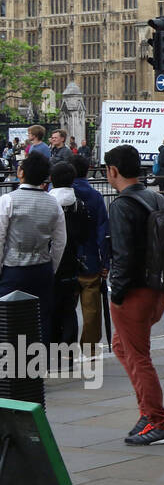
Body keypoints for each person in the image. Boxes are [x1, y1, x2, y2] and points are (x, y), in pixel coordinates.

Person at [103, 145, 164, 445]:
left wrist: (116, 294)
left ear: (113, 171)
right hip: (157, 287)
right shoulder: (155, 197)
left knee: (138, 355)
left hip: (133, 291)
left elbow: (123, 255)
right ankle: (147, 411)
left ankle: (159, 422)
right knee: (121, 347)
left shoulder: (122, 205)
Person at [0, 151, 66, 346]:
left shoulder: (8, 200)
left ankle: (10, 367)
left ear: (21, 173)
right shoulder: (54, 202)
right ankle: (37, 366)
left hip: (13, 269)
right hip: (42, 267)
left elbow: (0, 238)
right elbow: (60, 241)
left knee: (8, 319)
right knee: (41, 318)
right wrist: (51, 267)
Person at [70, 155, 110, 354]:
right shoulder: (95, 196)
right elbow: (103, 231)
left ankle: (63, 348)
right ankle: (90, 348)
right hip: (91, 257)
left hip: (66, 260)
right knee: (92, 308)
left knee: (65, 307)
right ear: (87, 170)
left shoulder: (59, 193)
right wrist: (105, 262)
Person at [48, 162, 90, 346]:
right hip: (72, 262)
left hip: (50, 263)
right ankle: (69, 354)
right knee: (69, 309)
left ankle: (52, 349)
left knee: (51, 309)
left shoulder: (48, 203)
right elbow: (84, 234)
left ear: (51, 179)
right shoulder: (78, 205)